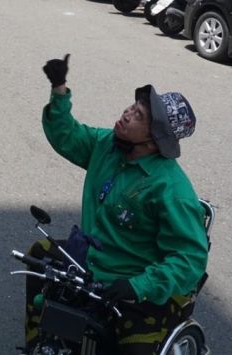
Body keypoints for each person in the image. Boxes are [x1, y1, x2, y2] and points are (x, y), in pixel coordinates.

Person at [25, 54, 209, 354]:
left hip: (135, 280)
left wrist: (138, 286)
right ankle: (39, 346)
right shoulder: (108, 146)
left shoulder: (171, 189)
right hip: (89, 260)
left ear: (154, 140)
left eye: (138, 116)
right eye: (132, 108)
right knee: (38, 260)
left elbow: (189, 260)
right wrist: (59, 89)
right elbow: (67, 136)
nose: (126, 114)